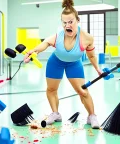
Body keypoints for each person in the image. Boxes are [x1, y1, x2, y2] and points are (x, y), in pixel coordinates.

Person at [23, 0, 101, 129]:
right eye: (64, 22)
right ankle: (55, 113)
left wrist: (97, 69)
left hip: (74, 64)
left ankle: (92, 116)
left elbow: (91, 55)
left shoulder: (86, 38)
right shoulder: (58, 35)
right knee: (51, 89)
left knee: (83, 92)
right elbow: (45, 43)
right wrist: (33, 51)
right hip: (56, 62)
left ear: (77, 20)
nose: (67, 25)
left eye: (70, 22)